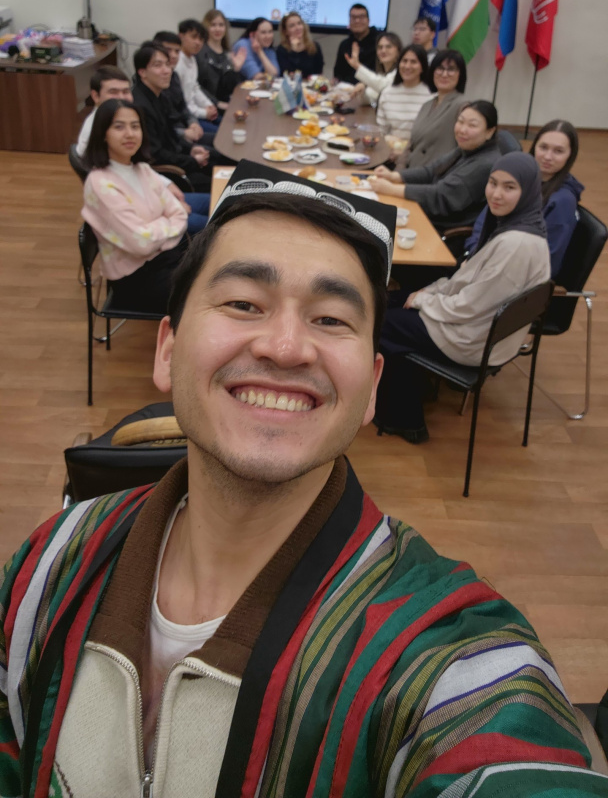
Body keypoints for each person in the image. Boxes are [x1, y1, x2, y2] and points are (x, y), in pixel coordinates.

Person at [1, 159, 602, 798]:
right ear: (168, 349)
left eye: (331, 319)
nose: (285, 348)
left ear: (372, 388)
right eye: (243, 304)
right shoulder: (49, 565)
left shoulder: (445, 651)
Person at [375, 152, 551, 443]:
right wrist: (431, 291)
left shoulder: (516, 245)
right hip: (482, 325)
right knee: (389, 303)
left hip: (475, 337)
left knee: (382, 323)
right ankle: (416, 388)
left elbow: (470, 305)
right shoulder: (523, 226)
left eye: (509, 187)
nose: (496, 194)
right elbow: (471, 282)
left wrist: (424, 300)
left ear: (528, 191)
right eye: (493, 183)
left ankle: (406, 420)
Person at [81, 99, 207, 312]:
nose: (130, 134)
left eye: (135, 126)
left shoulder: (141, 168)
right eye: (119, 127)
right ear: (103, 133)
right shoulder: (100, 184)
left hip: (168, 257)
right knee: (212, 294)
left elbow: (178, 213)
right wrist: (167, 225)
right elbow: (141, 243)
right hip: (138, 278)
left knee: (222, 273)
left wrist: (155, 231)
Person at [467, 120, 583, 278]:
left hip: (509, 277)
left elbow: (547, 261)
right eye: (543, 147)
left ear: (570, 155)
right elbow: (485, 221)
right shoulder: (519, 177)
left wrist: (484, 267)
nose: (548, 156)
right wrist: (474, 254)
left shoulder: (563, 201)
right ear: (534, 147)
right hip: (483, 262)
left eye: (558, 151)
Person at [370, 100, 500, 229]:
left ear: (490, 132)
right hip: (427, 214)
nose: (462, 130)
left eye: (472, 125)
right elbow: (431, 171)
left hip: (441, 228)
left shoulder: (485, 164)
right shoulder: (467, 148)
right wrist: (394, 176)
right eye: (460, 121)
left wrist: (391, 189)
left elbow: (441, 196)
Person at [132, 43, 213, 192]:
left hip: (177, 158)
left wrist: (190, 149)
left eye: (167, 64)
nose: (166, 71)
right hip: (165, 174)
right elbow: (156, 154)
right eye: (158, 65)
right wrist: (192, 160)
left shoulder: (160, 95)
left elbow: (172, 134)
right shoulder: (140, 106)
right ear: (142, 72)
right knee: (219, 183)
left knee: (219, 161)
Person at [405, 48, 469, 167]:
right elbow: (411, 145)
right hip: (410, 171)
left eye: (451, 69)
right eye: (440, 68)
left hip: (438, 174)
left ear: (460, 74)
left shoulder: (463, 106)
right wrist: (398, 171)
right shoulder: (427, 105)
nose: (444, 74)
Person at [148, 34, 206, 145]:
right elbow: (162, 129)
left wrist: (193, 123)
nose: (174, 55)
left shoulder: (174, 76)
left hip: (185, 130)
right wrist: (184, 133)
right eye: (168, 50)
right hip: (173, 139)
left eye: (177, 51)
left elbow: (183, 106)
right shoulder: (154, 85)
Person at [374, 43, 435, 140]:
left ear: (422, 67)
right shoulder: (387, 93)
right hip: (391, 147)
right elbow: (381, 131)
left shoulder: (431, 95)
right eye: (404, 61)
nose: (407, 66)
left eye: (413, 62)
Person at [75, 65, 133, 157]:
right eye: (113, 92)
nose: (122, 97)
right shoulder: (96, 130)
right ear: (96, 96)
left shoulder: (120, 117)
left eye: (126, 92)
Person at [176, 19, 219, 132]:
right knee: (221, 132)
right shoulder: (177, 63)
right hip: (187, 118)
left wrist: (208, 105)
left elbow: (195, 87)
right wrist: (204, 113)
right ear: (181, 36)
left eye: (201, 39)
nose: (198, 43)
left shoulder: (192, 59)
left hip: (196, 110)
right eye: (194, 37)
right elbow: (182, 102)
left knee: (226, 122)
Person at [197, 8, 247, 105]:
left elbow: (232, 88)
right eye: (213, 25)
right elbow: (197, 86)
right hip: (209, 105)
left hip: (228, 104)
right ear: (206, 27)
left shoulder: (227, 53)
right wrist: (217, 103)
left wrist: (236, 69)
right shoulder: (200, 52)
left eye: (221, 25)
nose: (217, 29)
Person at [343, 31, 402, 106]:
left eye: (388, 47)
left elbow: (384, 87)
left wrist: (357, 66)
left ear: (398, 52)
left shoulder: (400, 72)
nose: (383, 50)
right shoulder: (381, 74)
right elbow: (370, 100)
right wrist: (362, 92)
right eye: (380, 47)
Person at [333, 2, 379, 82]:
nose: (357, 21)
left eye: (361, 17)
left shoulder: (379, 44)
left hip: (371, 87)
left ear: (368, 21)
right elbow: (338, 74)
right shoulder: (344, 45)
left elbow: (380, 75)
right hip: (345, 88)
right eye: (353, 17)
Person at [276, 11, 324, 77]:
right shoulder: (281, 50)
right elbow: (288, 74)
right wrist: (294, 50)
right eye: (292, 26)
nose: (297, 28)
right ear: (285, 31)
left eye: (299, 23)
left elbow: (319, 73)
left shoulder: (314, 46)